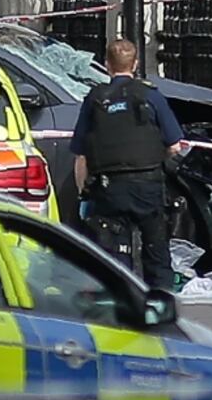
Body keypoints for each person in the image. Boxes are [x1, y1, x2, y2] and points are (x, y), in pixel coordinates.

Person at [70, 39, 186, 289]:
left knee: (112, 255)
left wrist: (83, 193)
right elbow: (175, 145)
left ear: (106, 65)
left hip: (109, 188)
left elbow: (81, 156)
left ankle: (119, 304)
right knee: (156, 251)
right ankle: (161, 304)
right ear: (135, 64)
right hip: (148, 185)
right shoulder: (151, 95)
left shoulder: (95, 99)